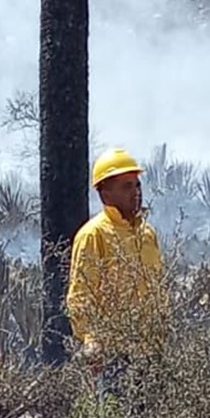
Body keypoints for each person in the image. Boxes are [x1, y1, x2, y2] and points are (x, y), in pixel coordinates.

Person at [66, 148, 166, 374]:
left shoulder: (147, 234)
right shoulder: (94, 234)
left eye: (137, 185)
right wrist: (91, 341)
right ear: (105, 194)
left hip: (151, 353)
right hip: (112, 356)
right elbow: (81, 296)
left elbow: (158, 290)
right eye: (126, 186)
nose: (136, 192)